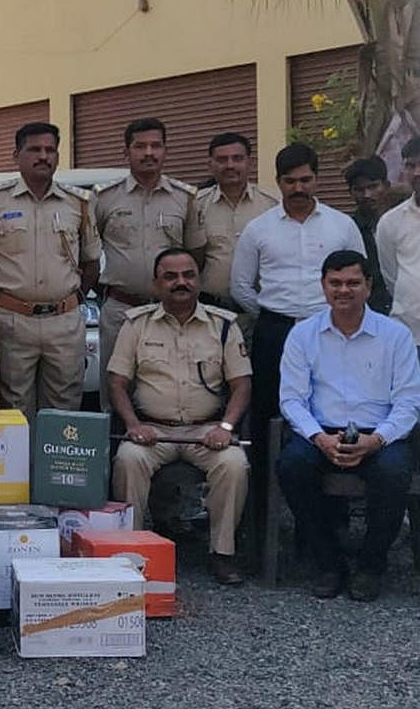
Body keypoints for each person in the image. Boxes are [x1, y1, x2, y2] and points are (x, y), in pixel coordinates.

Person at [229, 142, 365, 542]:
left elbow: (358, 278)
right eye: (290, 181)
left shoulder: (341, 226)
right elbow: (241, 285)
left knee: (334, 414)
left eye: (306, 179)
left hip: (333, 332)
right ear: (279, 182)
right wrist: (277, 314)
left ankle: (330, 523)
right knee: (271, 418)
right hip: (277, 333)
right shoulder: (259, 228)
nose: (298, 187)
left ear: (316, 179)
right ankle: (263, 523)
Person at [276, 250, 420, 601]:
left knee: (394, 473)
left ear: (368, 286)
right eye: (335, 283)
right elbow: (292, 399)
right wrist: (320, 438)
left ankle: (371, 565)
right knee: (292, 466)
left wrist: (377, 440)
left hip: (380, 434)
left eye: (353, 282)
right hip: (321, 432)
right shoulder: (303, 334)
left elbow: (408, 402)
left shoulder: (395, 335)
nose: (344, 290)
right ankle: (329, 563)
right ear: (323, 287)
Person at [109, 249, 252, 585]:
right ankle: (135, 547)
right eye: (170, 277)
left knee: (233, 464)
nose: (181, 282)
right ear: (156, 284)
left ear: (199, 280)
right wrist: (132, 425)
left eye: (188, 275)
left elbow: (242, 385)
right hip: (153, 431)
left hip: (206, 431)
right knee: (128, 458)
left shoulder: (224, 326)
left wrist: (226, 427)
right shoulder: (136, 324)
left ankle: (222, 553)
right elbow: (116, 383)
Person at [0, 122, 100, 414]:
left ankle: (56, 462)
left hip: (64, 322)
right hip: (14, 321)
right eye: (35, 149)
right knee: (13, 405)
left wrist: (71, 298)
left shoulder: (78, 203)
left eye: (50, 150)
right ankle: (20, 462)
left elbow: (91, 262)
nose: (44, 156)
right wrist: (7, 299)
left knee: (65, 405)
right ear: (16, 155)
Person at [94, 118, 196, 410]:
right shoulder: (104, 198)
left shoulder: (185, 199)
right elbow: (88, 251)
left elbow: (195, 254)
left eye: (156, 146)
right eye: (140, 146)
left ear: (165, 150)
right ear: (126, 152)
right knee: (115, 388)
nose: (148, 152)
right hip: (120, 310)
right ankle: (113, 451)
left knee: (169, 388)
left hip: (172, 310)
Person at [184, 132, 276, 336]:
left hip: (259, 315)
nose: (230, 165)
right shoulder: (196, 205)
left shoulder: (271, 206)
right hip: (210, 314)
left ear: (249, 163)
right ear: (210, 165)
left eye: (237, 158)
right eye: (222, 159)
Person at [376, 135, 420, 357]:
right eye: (411, 165)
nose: (417, 173)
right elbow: (391, 276)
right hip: (408, 337)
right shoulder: (390, 222)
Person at [344, 155, 393, 315]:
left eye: (373, 186)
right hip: (367, 314)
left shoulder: (403, 222)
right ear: (350, 192)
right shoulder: (347, 229)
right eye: (359, 189)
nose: (367, 195)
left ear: (386, 185)